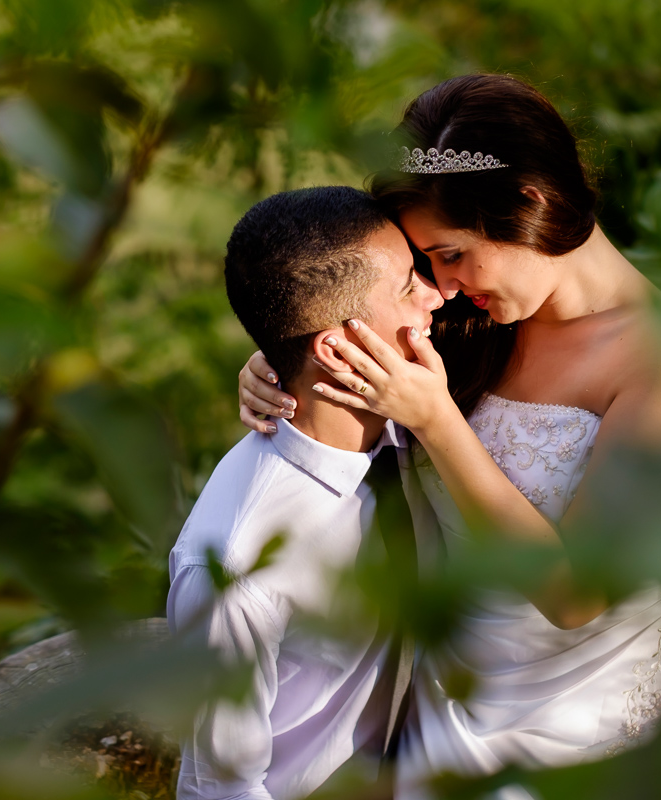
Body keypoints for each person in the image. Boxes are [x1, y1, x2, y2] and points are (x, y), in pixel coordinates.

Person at [236, 75, 661, 799]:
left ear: (528, 203)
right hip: (456, 698)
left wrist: (437, 420)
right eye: (426, 264)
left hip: (605, 713)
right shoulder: (468, 320)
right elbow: (333, 323)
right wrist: (276, 361)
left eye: (452, 253)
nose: (443, 286)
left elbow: (579, 596)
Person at [169, 185, 444, 800]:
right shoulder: (234, 563)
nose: (438, 293)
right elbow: (225, 787)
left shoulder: (427, 427)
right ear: (338, 348)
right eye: (409, 285)